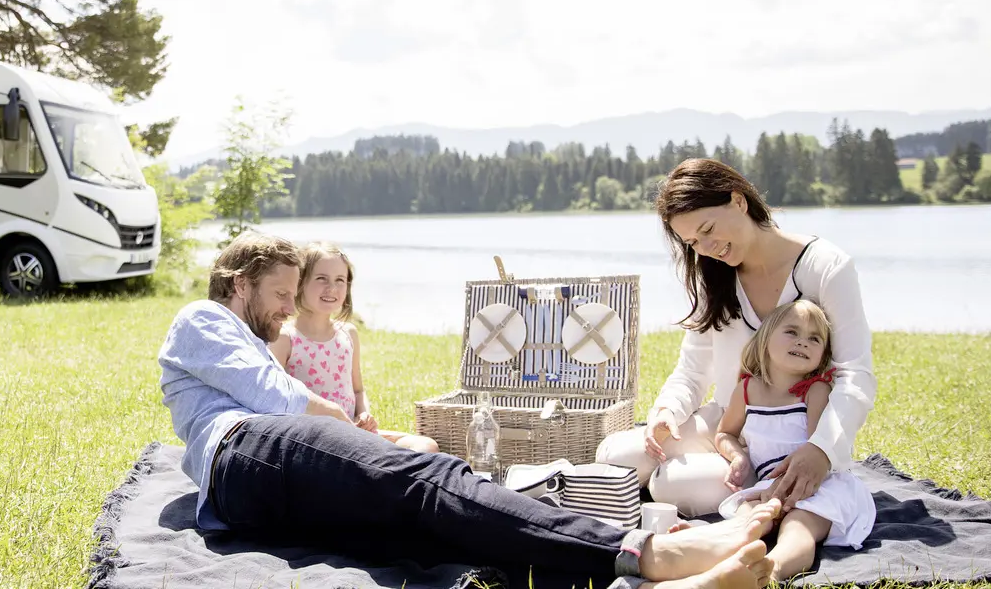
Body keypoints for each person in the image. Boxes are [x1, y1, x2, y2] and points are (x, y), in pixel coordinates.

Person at [159, 230, 786, 589]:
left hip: (254, 494)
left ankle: (641, 580)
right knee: (428, 480)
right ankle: (645, 550)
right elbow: (284, 402)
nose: (287, 309)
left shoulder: (252, 339)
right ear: (238, 283)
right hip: (251, 446)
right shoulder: (204, 318)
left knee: (424, 525)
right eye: (277, 295)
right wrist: (367, 439)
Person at [595, 159, 878, 518]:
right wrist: (667, 412)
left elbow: (855, 375)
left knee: (670, 485)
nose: (706, 247)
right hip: (729, 422)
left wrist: (821, 450)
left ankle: (760, 483)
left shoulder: (826, 268)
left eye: (709, 228)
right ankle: (718, 472)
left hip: (790, 438)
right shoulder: (713, 276)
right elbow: (693, 371)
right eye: (693, 241)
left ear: (738, 201)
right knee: (616, 455)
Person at [715, 299, 875, 583]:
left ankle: (773, 569)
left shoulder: (815, 392)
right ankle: (712, 554)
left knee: (799, 524)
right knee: (748, 516)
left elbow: (817, 452)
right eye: (792, 332)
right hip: (769, 484)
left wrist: (792, 497)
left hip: (818, 485)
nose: (803, 342)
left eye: (814, 338)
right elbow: (724, 433)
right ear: (764, 339)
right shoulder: (747, 390)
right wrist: (738, 456)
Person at [270, 241, 440, 453]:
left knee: (426, 446)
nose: (332, 288)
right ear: (299, 283)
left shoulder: (348, 334)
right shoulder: (286, 339)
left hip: (354, 432)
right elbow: (278, 402)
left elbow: (358, 390)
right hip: (315, 443)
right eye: (321, 278)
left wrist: (364, 415)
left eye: (340, 280)